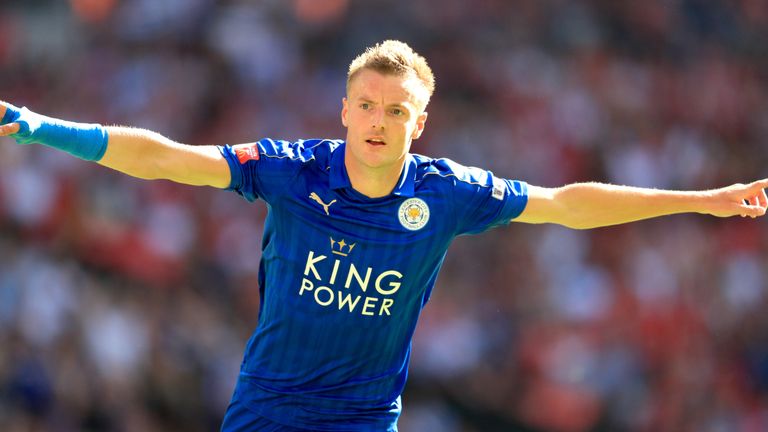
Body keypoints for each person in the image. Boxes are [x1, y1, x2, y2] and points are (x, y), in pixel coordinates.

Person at [1, 40, 766, 432]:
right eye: (368, 104)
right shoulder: (289, 171)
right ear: (343, 109)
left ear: (419, 124)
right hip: (268, 408)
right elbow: (166, 157)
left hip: (365, 419)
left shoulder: (447, 193)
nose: (379, 121)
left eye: (397, 111)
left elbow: (567, 204)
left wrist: (703, 199)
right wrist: (42, 128)